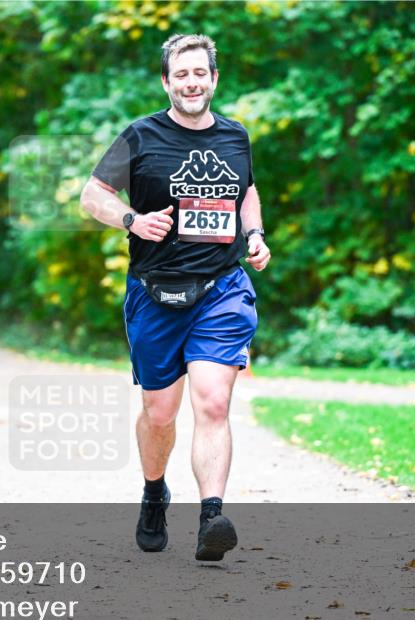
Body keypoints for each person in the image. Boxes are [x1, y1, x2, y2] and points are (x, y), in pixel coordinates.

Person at [80, 34, 271, 561]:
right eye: (181, 74)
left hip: (221, 288)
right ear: (167, 82)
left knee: (213, 400)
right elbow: (91, 194)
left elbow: (247, 192)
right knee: (160, 414)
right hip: (155, 293)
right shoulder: (141, 136)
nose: (192, 82)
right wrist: (132, 221)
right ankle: (153, 492)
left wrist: (254, 236)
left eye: (200, 73)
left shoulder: (235, 136)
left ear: (213, 78)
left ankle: (212, 516)